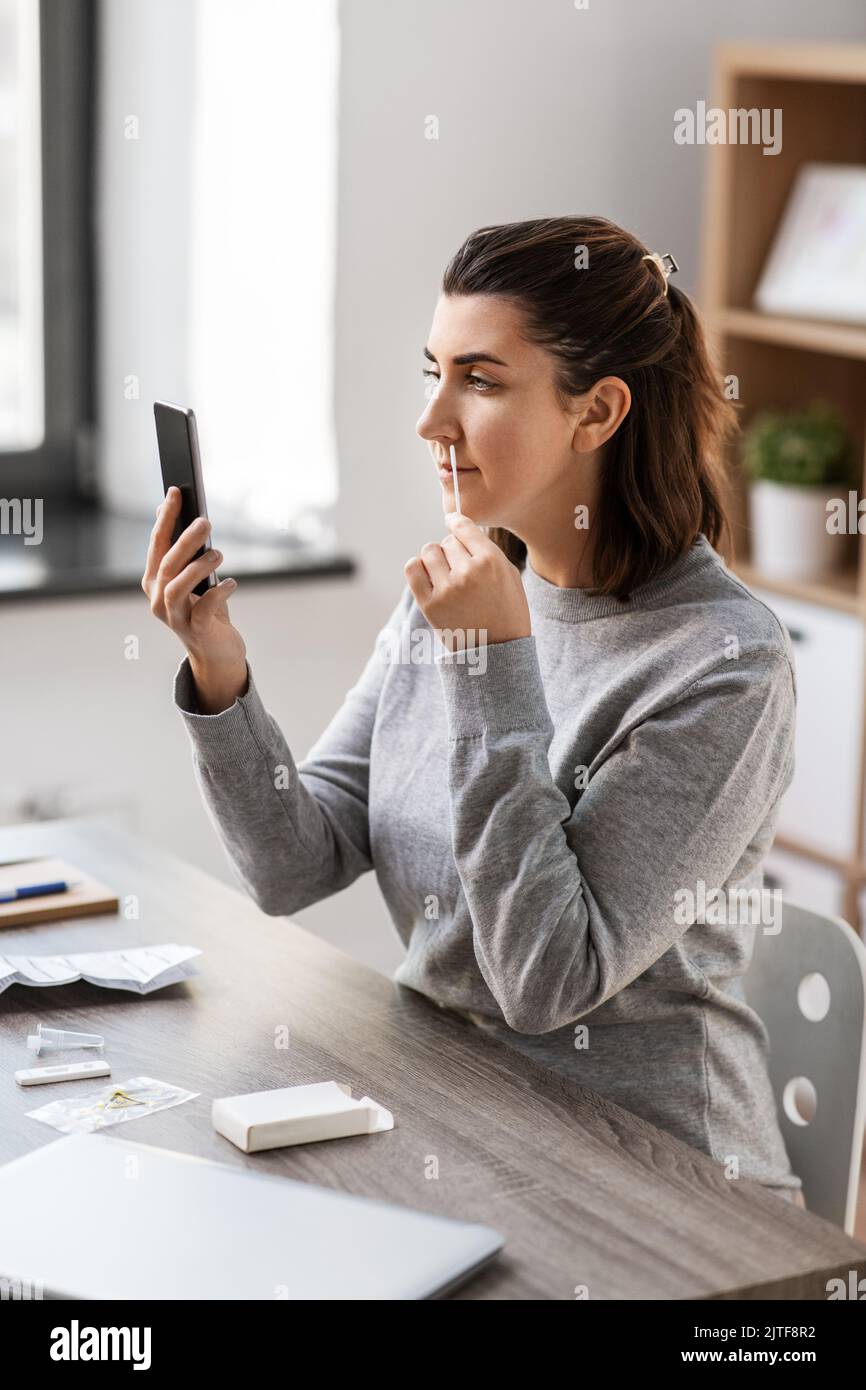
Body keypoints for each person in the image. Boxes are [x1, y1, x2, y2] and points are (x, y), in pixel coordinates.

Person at [142, 215, 805, 1208]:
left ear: (598, 412)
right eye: (433, 370)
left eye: (480, 380)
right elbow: (291, 863)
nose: (430, 418)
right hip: (453, 1126)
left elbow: (544, 984)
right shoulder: (461, 586)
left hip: (657, 1196)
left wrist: (492, 666)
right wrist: (219, 669)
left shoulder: (723, 663)